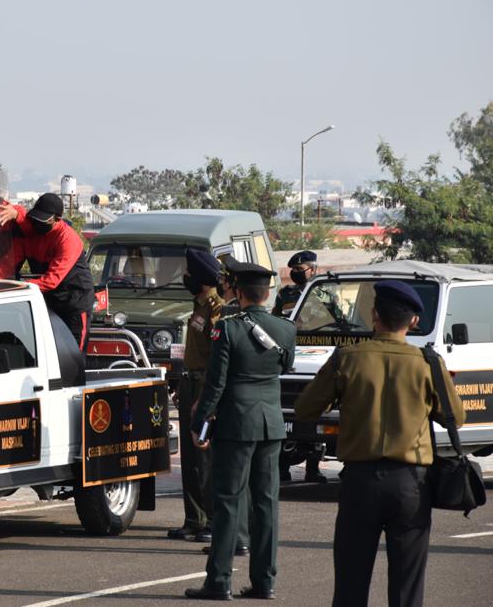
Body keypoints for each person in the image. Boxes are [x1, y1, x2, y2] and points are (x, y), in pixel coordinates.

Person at [294, 280, 465, 607]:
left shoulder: (347, 358)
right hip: (411, 483)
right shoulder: (428, 363)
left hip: (360, 480)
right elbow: (456, 417)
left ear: (374, 315)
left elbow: (305, 409)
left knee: (351, 580)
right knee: (407, 585)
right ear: (414, 321)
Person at [186, 261, 295, 601]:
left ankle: (219, 581)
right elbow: (284, 366)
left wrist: (199, 423)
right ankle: (264, 581)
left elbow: (215, 384)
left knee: (229, 503)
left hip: (236, 423)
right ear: (265, 294)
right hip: (271, 423)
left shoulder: (228, 329)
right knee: (266, 504)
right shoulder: (285, 329)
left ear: (239, 290)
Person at [168, 249, 226, 545]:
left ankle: (214, 519)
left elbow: (217, 359)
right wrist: (181, 386)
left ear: (201, 276)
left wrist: (203, 399)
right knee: (190, 459)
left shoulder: (216, 308)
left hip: (204, 387)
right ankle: (194, 520)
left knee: (204, 459)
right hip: (191, 383)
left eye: (188, 272)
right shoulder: (199, 305)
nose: (184, 277)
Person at [8, 193, 95, 348]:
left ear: (57, 220)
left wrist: (20, 287)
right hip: (50, 301)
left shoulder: (67, 239)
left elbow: (51, 280)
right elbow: (18, 215)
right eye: (35, 218)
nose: (37, 223)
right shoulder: (30, 231)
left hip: (75, 302)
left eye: (43, 220)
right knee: (49, 350)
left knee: (74, 353)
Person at [274, 250, 328, 484]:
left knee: (317, 414)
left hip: (318, 357)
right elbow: (276, 321)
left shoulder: (326, 294)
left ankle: (313, 468)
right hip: (292, 356)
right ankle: (283, 467)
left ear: (313, 269)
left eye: (301, 269)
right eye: (294, 271)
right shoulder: (285, 295)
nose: (296, 274)